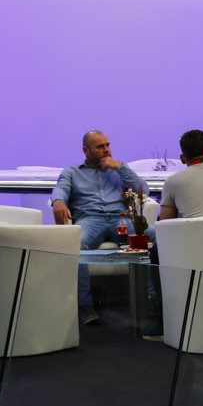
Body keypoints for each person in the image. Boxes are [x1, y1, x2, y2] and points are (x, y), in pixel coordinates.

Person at [51, 130, 147, 324]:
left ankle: (153, 301)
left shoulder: (119, 170)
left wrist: (120, 167)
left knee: (154, 235)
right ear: (86, 151)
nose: (106, 150)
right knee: (73, 245)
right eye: (100, 146)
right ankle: (85, 306)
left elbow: (143, 190)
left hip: (120, 219)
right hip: (90, 219)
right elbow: (61, 188)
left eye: (108, 145)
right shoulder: (72, 172)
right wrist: (58, 201)